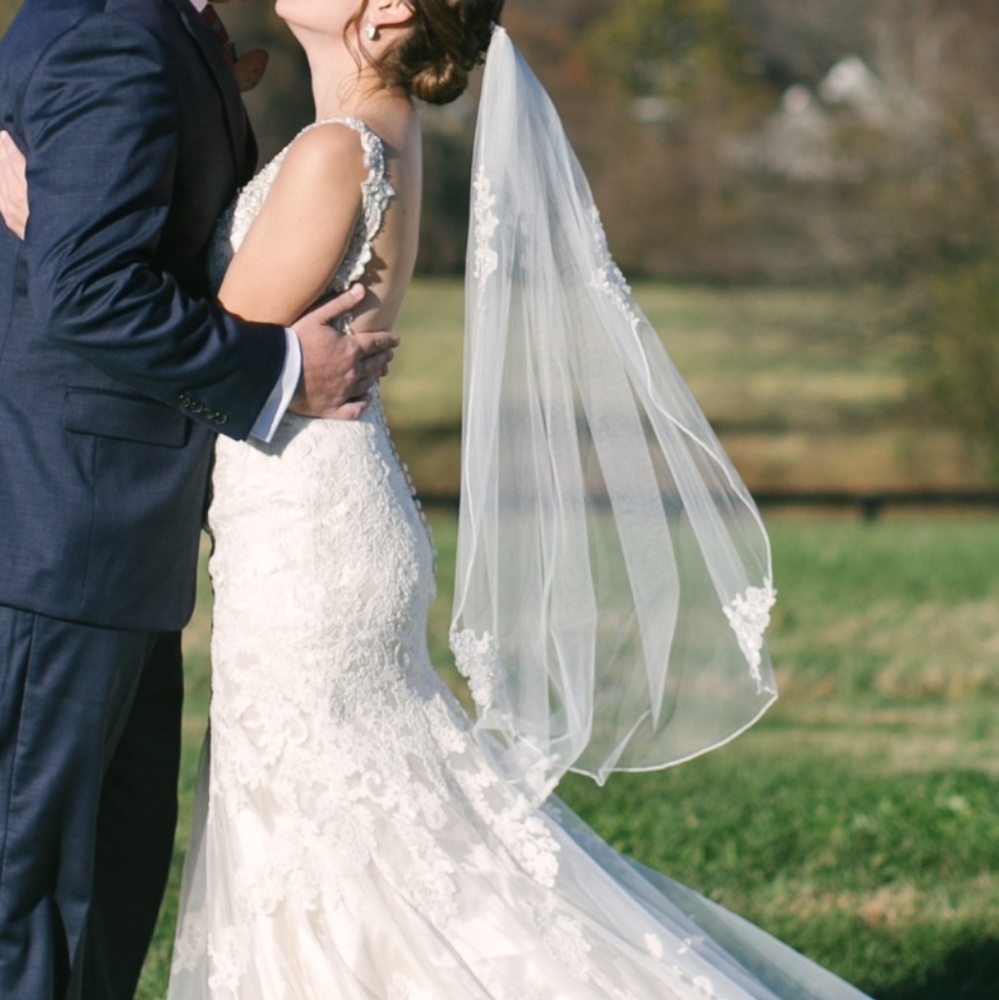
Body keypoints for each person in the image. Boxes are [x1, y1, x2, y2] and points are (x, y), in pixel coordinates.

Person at [157, 0, 877, 995]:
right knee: (350, 831)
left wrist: (41, 206)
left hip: (305, 542)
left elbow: (195, 349)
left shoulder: (336, 151)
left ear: (391, 8)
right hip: (315, 518)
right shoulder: (370, 139)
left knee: (329, 829)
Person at [0, 0, 399, 996]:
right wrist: (276, 368)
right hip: (63, 530)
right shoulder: (114, 30)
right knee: (36, 898)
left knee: (100, 889)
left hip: (118, 535)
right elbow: (88, 289)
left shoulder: (159, 30)